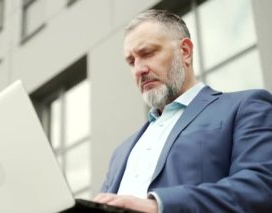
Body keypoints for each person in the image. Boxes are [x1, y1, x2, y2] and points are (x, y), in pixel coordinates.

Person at [93, 9, 272, 213]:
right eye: (131, 61)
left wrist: (159, 206)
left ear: (185, 51)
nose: (139, 70)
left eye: (148, 53)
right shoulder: (120, 153)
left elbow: (262, 186)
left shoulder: (246, 107)